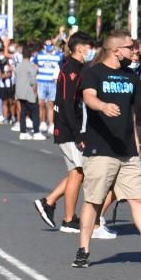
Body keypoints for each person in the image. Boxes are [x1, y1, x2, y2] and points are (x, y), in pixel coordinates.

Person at [72, 31, 141, 269]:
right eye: (130, 48)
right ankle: (83, 249)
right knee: (93, 200)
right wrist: (102, 106)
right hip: (100, 150)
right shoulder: (93, 73)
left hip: (128, 151)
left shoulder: (130, 75)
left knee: (137, 199)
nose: (134, 51)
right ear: (116, 50)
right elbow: (89, 97)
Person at [35, 32, 95, 234]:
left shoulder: (79, 67)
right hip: (68, 127)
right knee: (77, 172)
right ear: (79, 48)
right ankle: (68, 219)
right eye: (88, 46)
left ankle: (49, 202)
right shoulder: (70, 69)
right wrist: (78, 134)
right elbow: (68, 104)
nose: (90, 50)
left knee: (78, 171)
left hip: (73, 126)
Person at [15, 46, 43, 141]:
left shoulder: (18, 66)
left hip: (19, 92)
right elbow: (33, 82)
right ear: (31, 55)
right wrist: (35, 94)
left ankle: (23, 132)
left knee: (22, 112)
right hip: (29, 92)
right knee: (35, 112)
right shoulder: (31, 66)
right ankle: (36, 132)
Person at [35, 38, 62, 134]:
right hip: (41, 82)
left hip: (52, 83)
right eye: (47, 44)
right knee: (41, 103)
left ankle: (51, 124)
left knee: (51, 104)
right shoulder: (39, 55)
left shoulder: (59, 55)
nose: (49, 46)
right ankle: (42, 122)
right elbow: (34, 65)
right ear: (44, 46)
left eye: (51, 44)